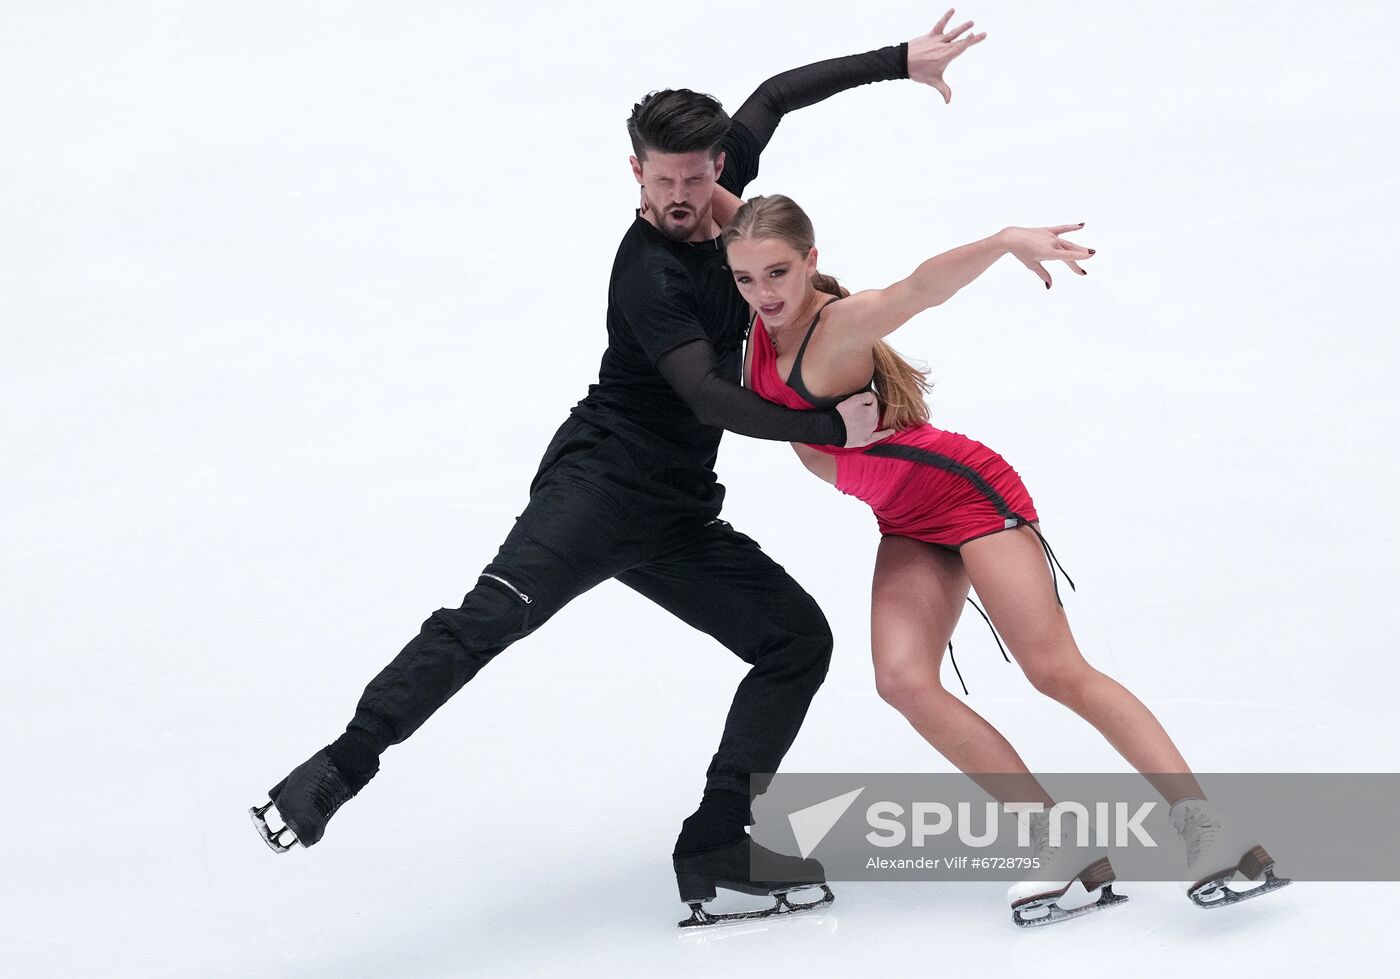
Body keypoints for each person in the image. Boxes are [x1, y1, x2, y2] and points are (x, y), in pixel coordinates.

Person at [249, 13, 991, 929]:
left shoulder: (728, 195)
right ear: (633, 169)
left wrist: (899, 62)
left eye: (695, 174)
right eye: (661, 176)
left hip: (677, 513)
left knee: (795, 640)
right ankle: (333, 770)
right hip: (597, 490)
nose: (680, 194)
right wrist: (823, 419)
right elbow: (708, 396)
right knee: (485, 622)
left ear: (719, 163)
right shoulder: (648, 272)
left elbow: (776, 94)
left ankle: (718, 845)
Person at [718, 191, 1292, 926]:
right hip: (904, 515)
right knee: (901, 679)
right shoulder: (756, 311)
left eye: (777, 273)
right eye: (745, 279)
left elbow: (919, 289)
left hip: (968, 495)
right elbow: (726, 182)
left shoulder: (841, 325)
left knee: (1054, 668)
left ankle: (1215, 834)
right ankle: (1061, 844)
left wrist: (1002, 240)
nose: (763, 294)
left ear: (811, 261)